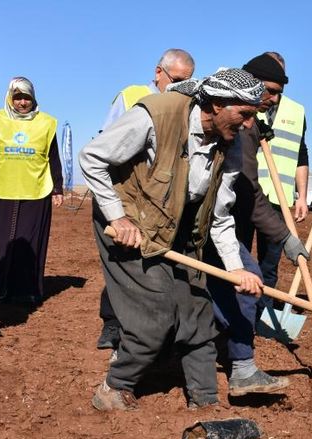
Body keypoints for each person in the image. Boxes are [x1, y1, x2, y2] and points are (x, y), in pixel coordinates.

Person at [80, 68, 265, 411]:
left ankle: (206, 401)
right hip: (125, 227)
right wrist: (118, 217)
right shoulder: (157, 115)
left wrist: (237, 269)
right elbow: (92, 157)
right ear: (217, 104)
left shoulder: (231, 145)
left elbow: (219, 217)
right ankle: (113, 388)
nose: (249, 125)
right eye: (245, 114)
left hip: (174, 227)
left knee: (197, 309)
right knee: (155, 314)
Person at [94, 49, 195, 354]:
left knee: (152, 267)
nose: (179, 88)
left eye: (186, 83)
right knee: (122, 264)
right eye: (175, 81)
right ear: (158, 73)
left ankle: (154, 335)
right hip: (127, 196)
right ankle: (113, 325)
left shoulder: (184, 106)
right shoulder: (131, 97)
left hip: (160, 201)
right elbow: (105, 143)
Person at [233, 52, 309, 306]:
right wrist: (288, 237)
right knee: (237, 258)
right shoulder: (241, 113)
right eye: (269, 88)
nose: (272, 97)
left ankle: (259, 314)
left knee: (269, 265)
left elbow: (301, 153)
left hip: (278, 197)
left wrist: (302, 195)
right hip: (244, 196)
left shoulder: (296, 111)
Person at [0, 77, 63, 305]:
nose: (22, 103)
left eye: (26, 97)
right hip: (2, 187)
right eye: (17, 97)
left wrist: (57, 187)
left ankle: (26, 290)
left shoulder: (47, 123)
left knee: (31, 240)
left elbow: (53, 157)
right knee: (0, 241)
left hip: (36, 188)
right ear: (10, 98)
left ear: (33, 98)